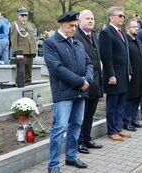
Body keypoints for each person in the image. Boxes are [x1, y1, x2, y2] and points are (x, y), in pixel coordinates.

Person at [44, 11, 93, 173]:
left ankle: (71, 157)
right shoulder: (51, 43)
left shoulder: (77, 42)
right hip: (64, 93)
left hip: (80, 92)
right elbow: (57, 68)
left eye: (75, 26)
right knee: (59, 128)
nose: (73, 29)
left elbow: (89, 63)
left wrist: (88, 80)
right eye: (71, 26)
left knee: (76, 125)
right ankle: (53, 165)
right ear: (62, 24)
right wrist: (80, 82)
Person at [99, 6, 131, 141]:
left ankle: (118, 128)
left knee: (121, 104)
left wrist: (129, 71)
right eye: (120, 16)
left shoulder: (121, 33)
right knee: (112, 105)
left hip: (123, 75)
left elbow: (126, 55)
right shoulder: (107, 33)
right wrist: (111, 74)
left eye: (123, 16)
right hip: (114, 76)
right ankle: (112, 131)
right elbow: (106, 57)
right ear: (111, 17)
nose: (122, 18)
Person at [74, 9, 103, 154]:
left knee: (90, 113)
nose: (91, 21)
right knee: (81, 114)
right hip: (83, 82)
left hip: (96, 81)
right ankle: (79, 142)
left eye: (92, 18)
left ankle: (87, 138)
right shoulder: (76, 36)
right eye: (87, 18)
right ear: (79, 21)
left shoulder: (94, 36)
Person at [122, 19, 142, 131]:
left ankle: (133, 120)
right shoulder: (125, 41)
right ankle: (126, 122)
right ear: (127, 28)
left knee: (137, 98)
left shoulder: (137, 41)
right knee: (130, 99)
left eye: (137, 27)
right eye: (134, 27)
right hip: (131, 75)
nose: (136, 29)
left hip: (140, 74)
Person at [10, 7, 36, 85]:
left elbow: (32, 38)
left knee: (29, 69)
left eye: (25, 15)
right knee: (21, 69)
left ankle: (28, 83)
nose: (24, 16)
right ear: (18, 15)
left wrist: (34, 50)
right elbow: (13, 38)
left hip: (30, 50)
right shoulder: (15, 24)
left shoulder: (30, 24)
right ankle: (19, 84)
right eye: (22, 15)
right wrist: (15, 51)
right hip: (21, 51)